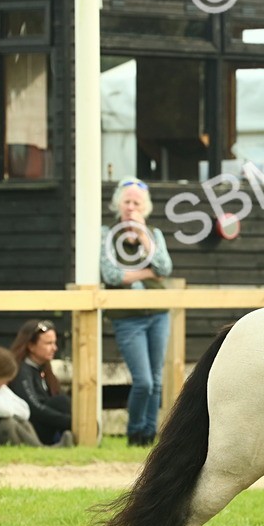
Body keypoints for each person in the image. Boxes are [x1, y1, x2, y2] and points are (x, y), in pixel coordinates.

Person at [100, 177, 174, 447]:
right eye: (127, 202)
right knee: (142, 380)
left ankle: (149, 435)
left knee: (155, 380)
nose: (131, 207)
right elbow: (111, 274)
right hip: (127, 317)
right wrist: (147, 272)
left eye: (137, 203)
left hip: (157, 313)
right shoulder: (107, 235)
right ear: (118, 204)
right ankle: (134, 432)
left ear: (145, 208)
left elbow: (164, 269)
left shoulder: (153, 235)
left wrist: (144, 238)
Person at [9, 319, 74, 446]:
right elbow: (34, 408)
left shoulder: (43, 370)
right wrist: (72, 422)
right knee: (60, 402)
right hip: (28, 427)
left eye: (54, 343)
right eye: (48, 343)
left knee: (62, 400)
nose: (54, 348)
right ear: (31, 346)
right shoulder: (21, 370)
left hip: (44, 427)